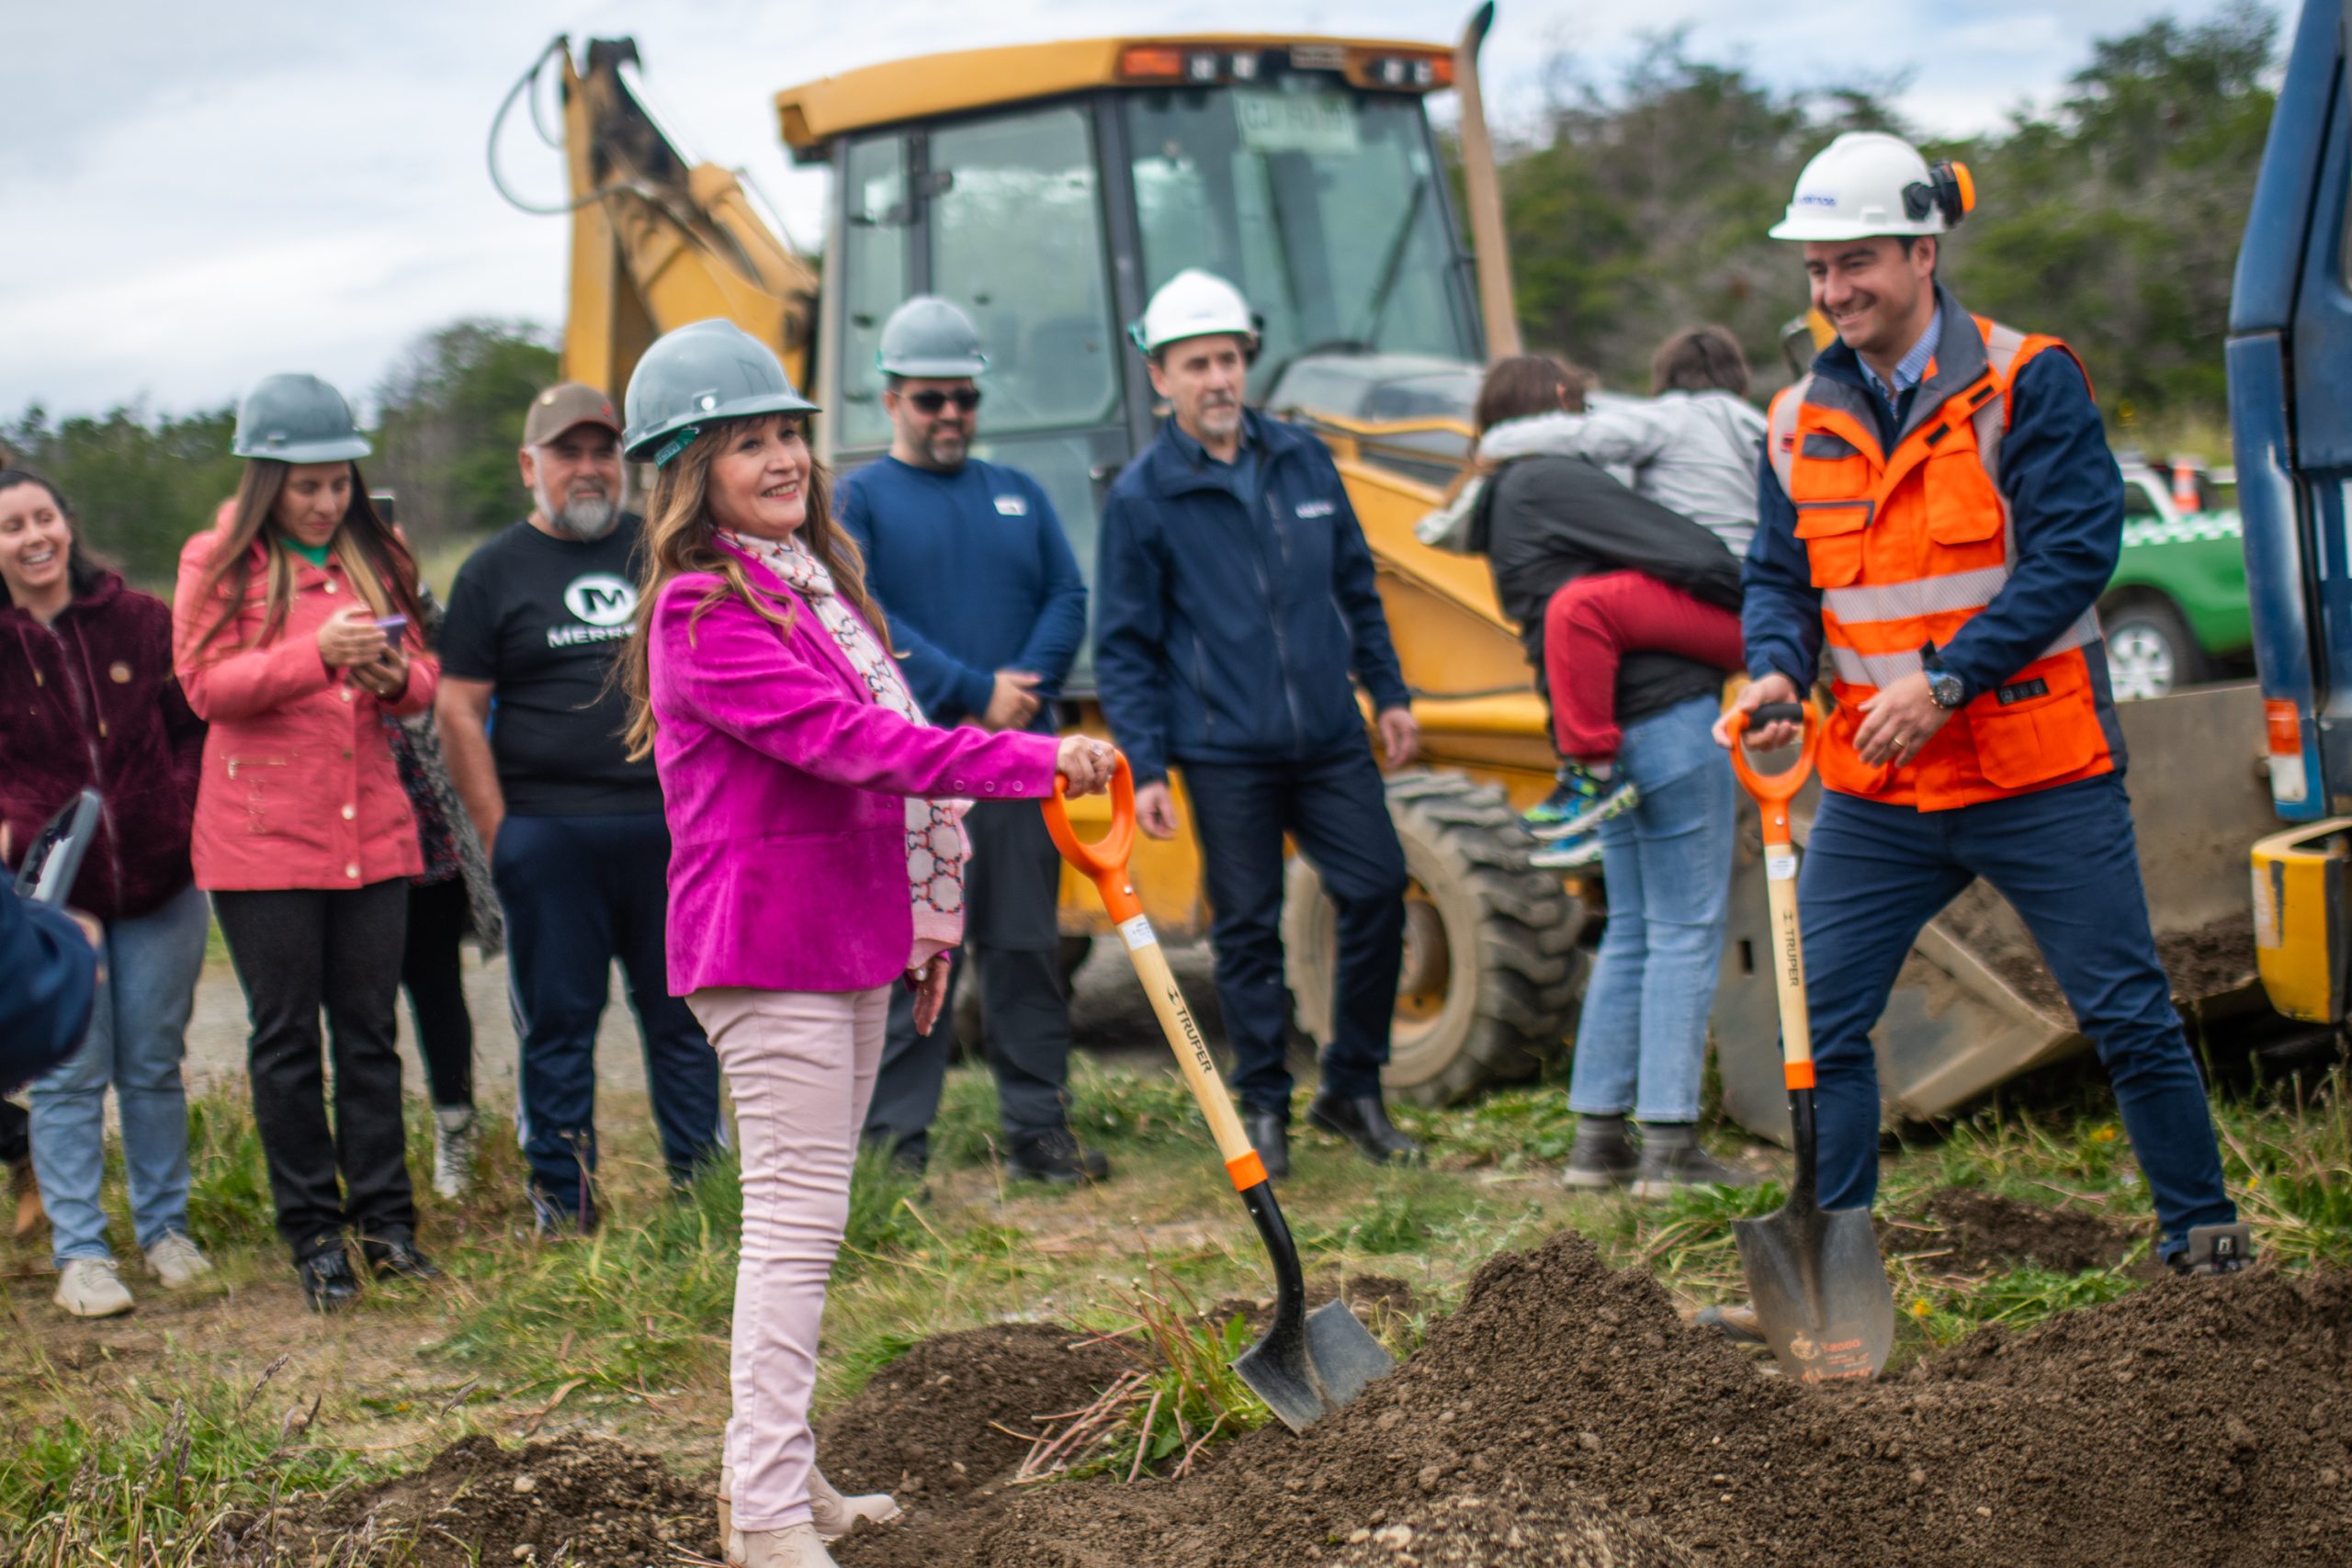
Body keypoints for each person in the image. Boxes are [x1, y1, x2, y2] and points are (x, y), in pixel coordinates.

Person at [615, 318, 1115, 1568]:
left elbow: (871, 777)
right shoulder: (701, 612)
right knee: (792, 1221)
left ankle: (783, 1473)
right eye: (747, 442)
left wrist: (919, 917)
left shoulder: (809, 586)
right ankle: (769, 1511)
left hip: (838, 932)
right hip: (766, 942)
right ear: (690, 468)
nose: (783, 457)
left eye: (789, 433)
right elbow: (865, 749)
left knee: (813, 1221)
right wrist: (1034, 755)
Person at [1717, 133, 2248, 1300]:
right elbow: (1778, 579)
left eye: (1853, 261)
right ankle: (1831, 1270)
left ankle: (2205, 1252)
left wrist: (1948, 679)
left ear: (1922, 250)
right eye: (1814, 269)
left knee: (2126, 1012)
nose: (1830, 290)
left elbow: (2071, 557)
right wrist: (1768, 672)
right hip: (1876, 789)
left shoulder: (2027, 378)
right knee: (1819, 1032)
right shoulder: (1792, 420)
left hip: (2034, 768)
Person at [1094, 269, 1422, 1179]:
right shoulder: (1141, 497)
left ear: (1247, 364)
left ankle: (1352, 1088)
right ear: (1160, 377)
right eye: (1196, 363)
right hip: (1221, 748)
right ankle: (1265, 1104)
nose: (1217, 379)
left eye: (1229, 359)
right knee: (1246, 928)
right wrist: (1148, 767)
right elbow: (1124, 644)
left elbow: (1354, 583)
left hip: (1326, 736)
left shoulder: (1303, 459)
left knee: (1376, 888)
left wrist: (1389, 692)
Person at [174, 373, 442, 1312]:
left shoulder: (380, 551)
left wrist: (390, 668)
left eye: (338, 483)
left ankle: (388, 1225)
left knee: (369, 1034)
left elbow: (421, 687)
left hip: (371, 831)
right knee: (288, 1040)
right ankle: (314, 1237)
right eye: (306, 486)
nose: (327, 502)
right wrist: (315, 655)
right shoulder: (217, 561)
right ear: (266, 482)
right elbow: (205, 689)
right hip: (261, 840)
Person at [436, 383, 722, 1234]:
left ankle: (701, 1193)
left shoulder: (663, 550)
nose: (590, 469)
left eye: (604, 452)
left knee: (683, 1022)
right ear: (531, 467)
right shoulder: (492, 571)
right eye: (569, 453)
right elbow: (457, 708)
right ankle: (563, 1201)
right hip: (549, 837)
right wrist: (502, 835)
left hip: (668, 833)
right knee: (558, 1026)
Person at [1461, 362, 1751, 1193]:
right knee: (1685, 925)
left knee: (1632, 926)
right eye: (1576, 400)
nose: (1586, 411)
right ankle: (1669, 1144)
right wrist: (1752, 586)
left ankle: (1598, 1141)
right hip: (1665, 719)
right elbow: (1689, 550)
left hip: (1608, 733)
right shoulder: (1551, 477)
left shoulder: (1504, 500)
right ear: (1553, 405)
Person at [840, 297, 1098, 1183]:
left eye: (963, 397)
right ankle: (895, 1146)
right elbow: (865, 615)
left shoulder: (1017, 493)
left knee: (1027, 949)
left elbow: (1068, 596)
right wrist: (973, 689)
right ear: (891, 400)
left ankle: (1039, 1130)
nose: (950, 414)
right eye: (929, 399)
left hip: (1022, 768)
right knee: (921, 955)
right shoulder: (859, 501)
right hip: (920, 774)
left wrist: (1021, 690)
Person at [1, 470, 213, 1314]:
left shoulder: (142, 621)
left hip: (162, 881)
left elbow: (192, 730)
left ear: (68, 522)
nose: (31, 537)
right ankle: (82, 1252)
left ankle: (167, 1231)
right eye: (11, 526)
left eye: (42, 516)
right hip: (53, 900)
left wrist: (183, 810)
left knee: (155, 1064)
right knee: (66, 1074)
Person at [1476, 328, 1766, 857]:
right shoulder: (1765, 427)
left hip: (1728, 602)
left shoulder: (1668, 417)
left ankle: (1590, 774)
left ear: (1663, 382)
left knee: (1583, 608)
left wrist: (1496, 443)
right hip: (1762, 611)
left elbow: (1584, 439)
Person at [385, 570, 503, 1201]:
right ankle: (376, 1149)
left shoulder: (405, 595)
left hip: (426, 826)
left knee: (435, 984)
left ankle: (457, 1128)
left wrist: (404, 580)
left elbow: (457, 640)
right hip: (342, 828)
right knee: (362, 1004)